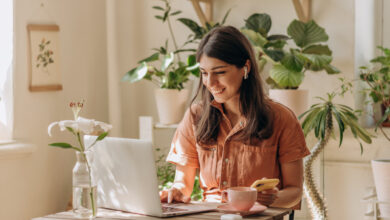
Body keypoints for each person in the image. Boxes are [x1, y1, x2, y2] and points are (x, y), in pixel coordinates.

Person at [159, 26, 310, 209]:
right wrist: (176, 192)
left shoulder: (281, 118)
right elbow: (183, 184)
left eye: (220, 72)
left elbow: (295, 190)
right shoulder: (195, 116)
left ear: (245, 68)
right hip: (211, 215)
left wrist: (272, 198)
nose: (210, 83)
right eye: (204, 73)